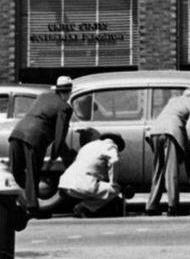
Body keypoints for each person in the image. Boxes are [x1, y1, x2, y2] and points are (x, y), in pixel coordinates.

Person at [8, 75, 74, 217]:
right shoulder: (65, 107)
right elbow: (60, 134)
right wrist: (55, 154)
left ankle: (23, 200)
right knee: (33, 173)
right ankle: (32, 207)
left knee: (16, 171)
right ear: (69, 92)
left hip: (17, 133)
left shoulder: (43, 96)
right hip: (35, 138)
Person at [144, 87, 190, 217]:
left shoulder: (173, 102)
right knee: (171, 171)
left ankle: (151, 205)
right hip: (171, 132)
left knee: (158, 171)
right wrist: (188, 146)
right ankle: (173, 206)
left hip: (154, 132)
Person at [57, 131, 126, 218]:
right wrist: (113, 182)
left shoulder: (89, 146)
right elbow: (114, 161)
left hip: (65, 183)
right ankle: (85, 207)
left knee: (97, 188)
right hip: (82, 185)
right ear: (117, 143)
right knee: (114, 190)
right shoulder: (111, 145)